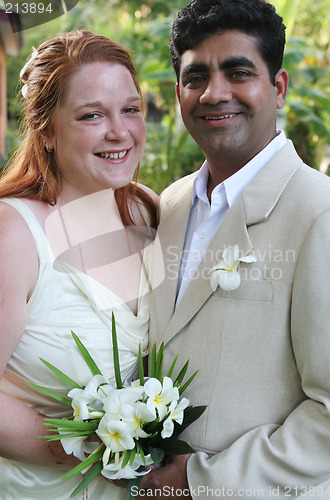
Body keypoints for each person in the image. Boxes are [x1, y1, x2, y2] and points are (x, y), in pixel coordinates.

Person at [144, 0, 330, 498]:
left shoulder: (320, 212)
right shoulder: (172, 203)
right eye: (195, 76)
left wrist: (196, 481)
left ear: (279, 87)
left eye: (238, 71)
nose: (214, 93)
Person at [0, 30, 157, 499]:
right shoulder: (14, 235)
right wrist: (95, 448)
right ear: (46, 131)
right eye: (92, 115)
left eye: (130, 109)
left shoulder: (148, 211)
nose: (120, 131)